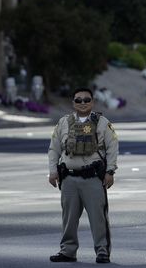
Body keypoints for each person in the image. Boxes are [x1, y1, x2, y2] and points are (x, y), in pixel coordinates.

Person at [48, 87, 119, 263]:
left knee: (98, 218)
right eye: (78, 100)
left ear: (92, 102)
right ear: (73, 103)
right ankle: (68, 251)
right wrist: (52, 171)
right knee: (69, 218)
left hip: (93, 178)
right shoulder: (64, 122)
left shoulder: (102, 122)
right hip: (69, 178)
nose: (82, 103)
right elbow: (54, 148)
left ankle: (102, 251)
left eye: (86, 100)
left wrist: (110, 171)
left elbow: (112, 148)